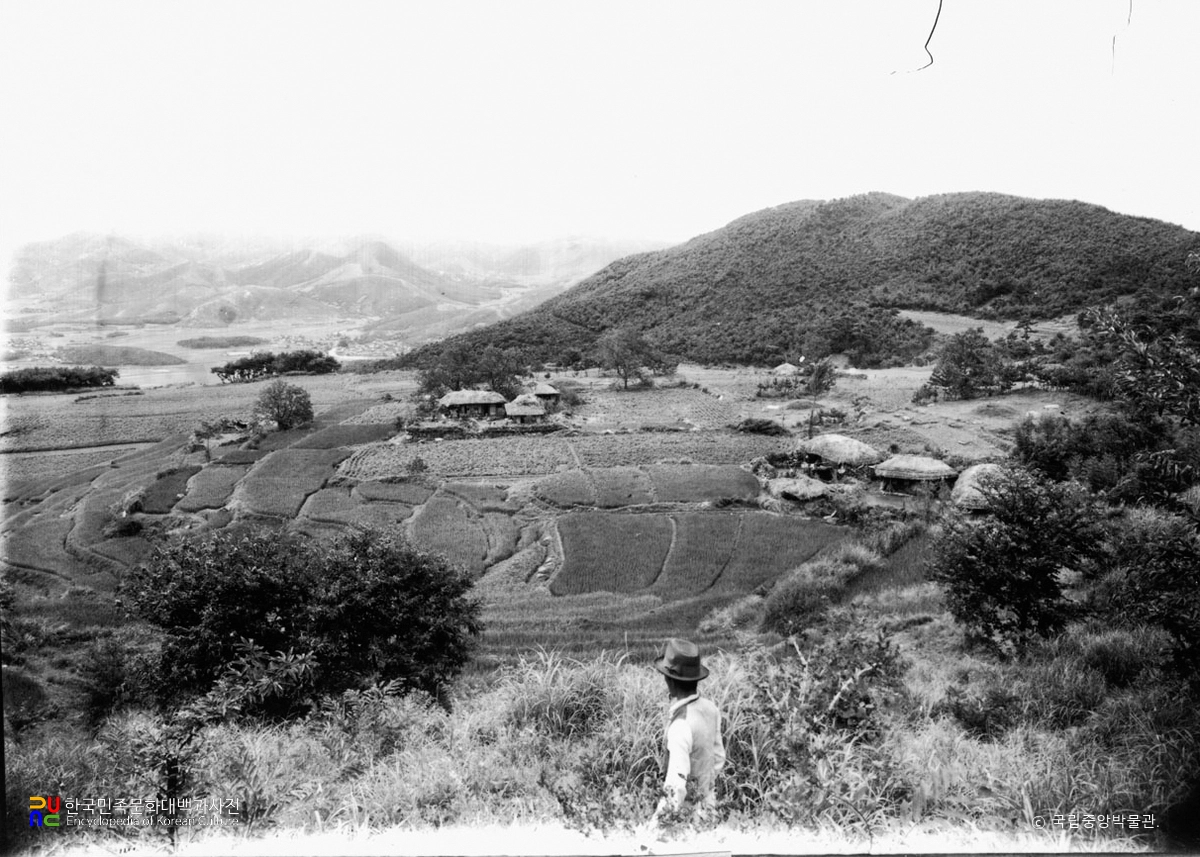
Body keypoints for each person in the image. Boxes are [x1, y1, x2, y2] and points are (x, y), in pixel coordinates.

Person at [649, 638, 726, 826]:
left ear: (669, 680)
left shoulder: (680, 726)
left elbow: (675, 788)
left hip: (685, 821)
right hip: (709, 809)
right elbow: (717, 759)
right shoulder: (711, 709)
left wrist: (653, 830)